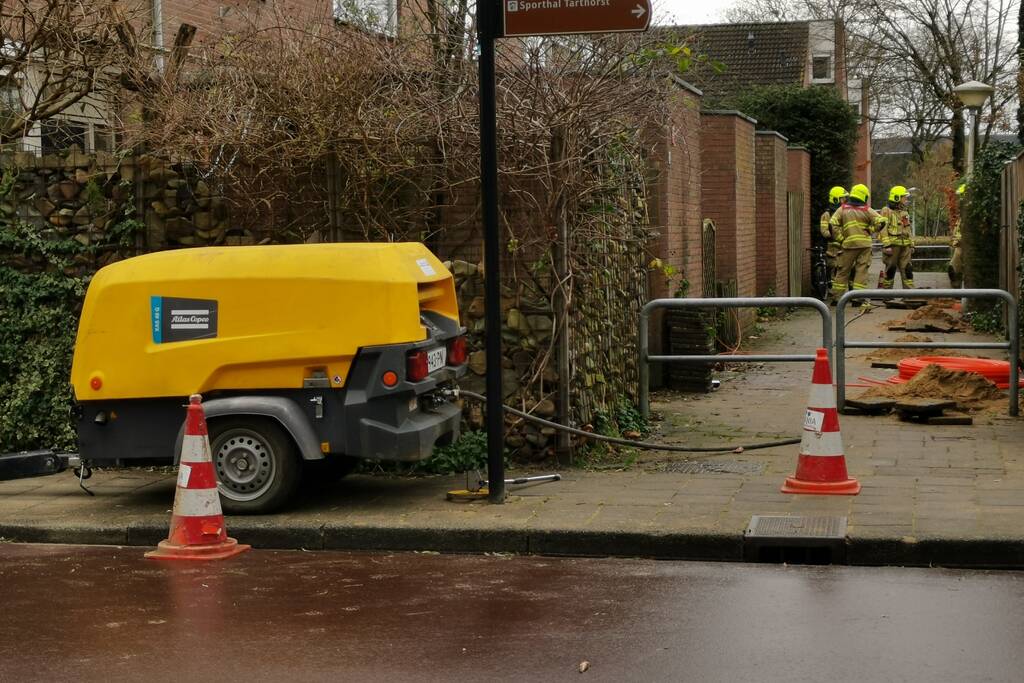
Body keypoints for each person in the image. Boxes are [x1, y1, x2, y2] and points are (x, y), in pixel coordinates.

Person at [830, 183, 885, 300]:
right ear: (863, 196)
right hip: (864, 246)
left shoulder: (842, 209)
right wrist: (871, 230)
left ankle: (837, 299)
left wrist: (840, 238)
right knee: (861, 272)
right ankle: (858, 299)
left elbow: (832, 224)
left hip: (848, 245)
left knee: (842, 272)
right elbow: (881, 221)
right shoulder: (867, 209)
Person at [878, 185, 914, 289]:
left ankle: (910, 294)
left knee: (908, 270)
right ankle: (887, 293)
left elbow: (908, 229)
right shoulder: (886, 211)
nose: (906, 199)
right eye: (904, 197)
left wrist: (912, 244)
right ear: (897, 198)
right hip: (892, 247)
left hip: (905, 246)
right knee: (890, 270)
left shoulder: (904, 212)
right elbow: (883, 229)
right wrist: (887, 245)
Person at [820, 186, 846, 284]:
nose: (844, 201)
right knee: (832, 269)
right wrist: (833, 236)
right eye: (842, 199)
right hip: (832, 249)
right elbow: (824, 231)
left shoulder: (843, 213)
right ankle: (832, 289)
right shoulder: (826, 215)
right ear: (835, 200)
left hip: (843, 248)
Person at [948, 184, 965, 288]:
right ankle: (957, 291)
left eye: (961, 196)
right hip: (959, 246)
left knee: (954, 270)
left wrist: (959, 240)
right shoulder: (962, 215)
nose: (959, 200)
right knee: (953, 270)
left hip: (963, 246)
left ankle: (959, 291)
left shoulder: (967, 214)